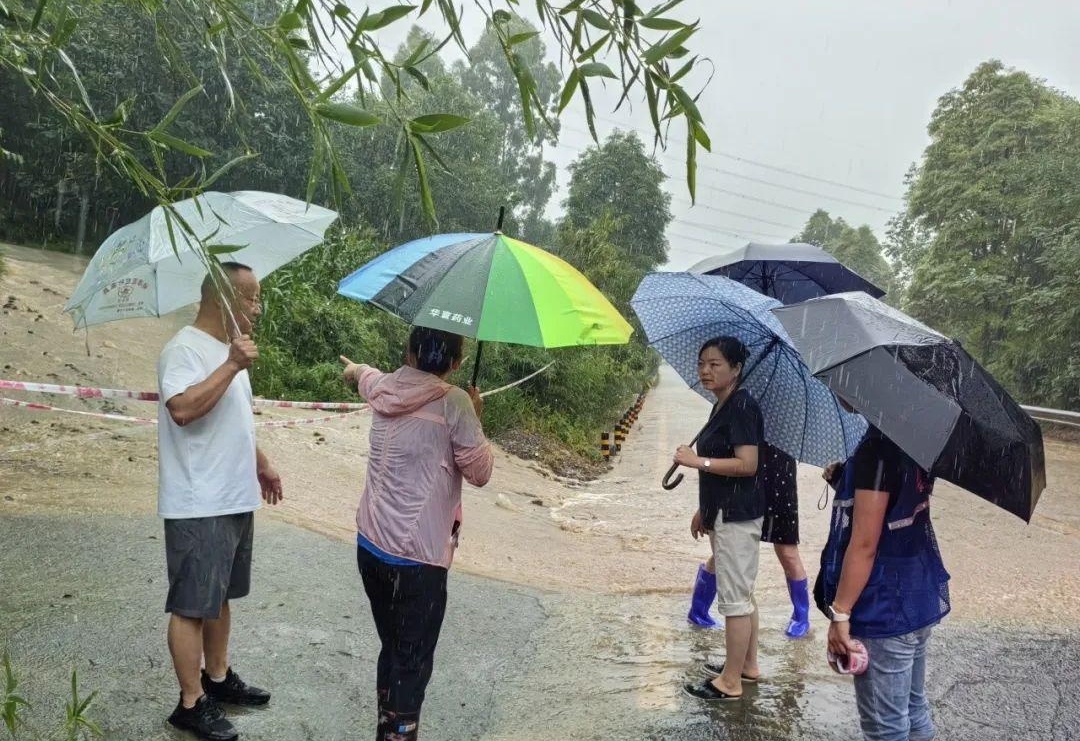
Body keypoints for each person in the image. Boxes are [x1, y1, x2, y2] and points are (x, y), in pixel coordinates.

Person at [341, 327, 494, 741]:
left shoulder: (384, 387)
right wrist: (475, 419)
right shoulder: (456, 403)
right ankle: (398, 732)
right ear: (456, 363)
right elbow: (479, 473)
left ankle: (386, 722)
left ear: (408, 353)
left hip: (370, 544)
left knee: (392, 644)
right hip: (420, 560)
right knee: (412, 657)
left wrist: (353, 370)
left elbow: (363, 376)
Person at [157, 262, 282, 741]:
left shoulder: (229, 350)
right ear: (223, 299)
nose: (258, 307)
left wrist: (262, 462)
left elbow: (232, 421)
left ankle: (218, 677)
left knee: (220, 596)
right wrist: (231, 365)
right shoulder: (183, 349)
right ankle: (190, 703)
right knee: (191, 605)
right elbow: (184, 410)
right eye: (251, 298)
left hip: (233, 495)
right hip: (198, 499)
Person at [817, 423, 950, 741]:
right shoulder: (915, 437)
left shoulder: (876, 448)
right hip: (917, 592)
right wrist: (846, 480)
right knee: (914, 709)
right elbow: (896, 504)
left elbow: (864, 543)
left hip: (883, 604)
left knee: (885, 728)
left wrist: (841, 613)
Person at [678, 336, 764, 702]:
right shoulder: (723, 405)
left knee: (734, 600)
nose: (705, 371)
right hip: (723, 511)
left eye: (715, 364)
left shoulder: (742, 405)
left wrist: (698, 461)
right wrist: (705, 509)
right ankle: (747, 666)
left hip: (738, 516)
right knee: (742, 593)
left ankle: (730, 683)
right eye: (702, 363)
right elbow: (720, 465)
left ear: (736, 369)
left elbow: (747, 465)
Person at [687, 444, 811, 639]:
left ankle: (801, 616)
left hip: (780, 475)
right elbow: (721, 454)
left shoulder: (785, 425)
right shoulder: (742, 415)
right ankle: (699, 610)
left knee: (787, 551)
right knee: (727, 550)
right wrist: (705, 506)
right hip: (742, 483)